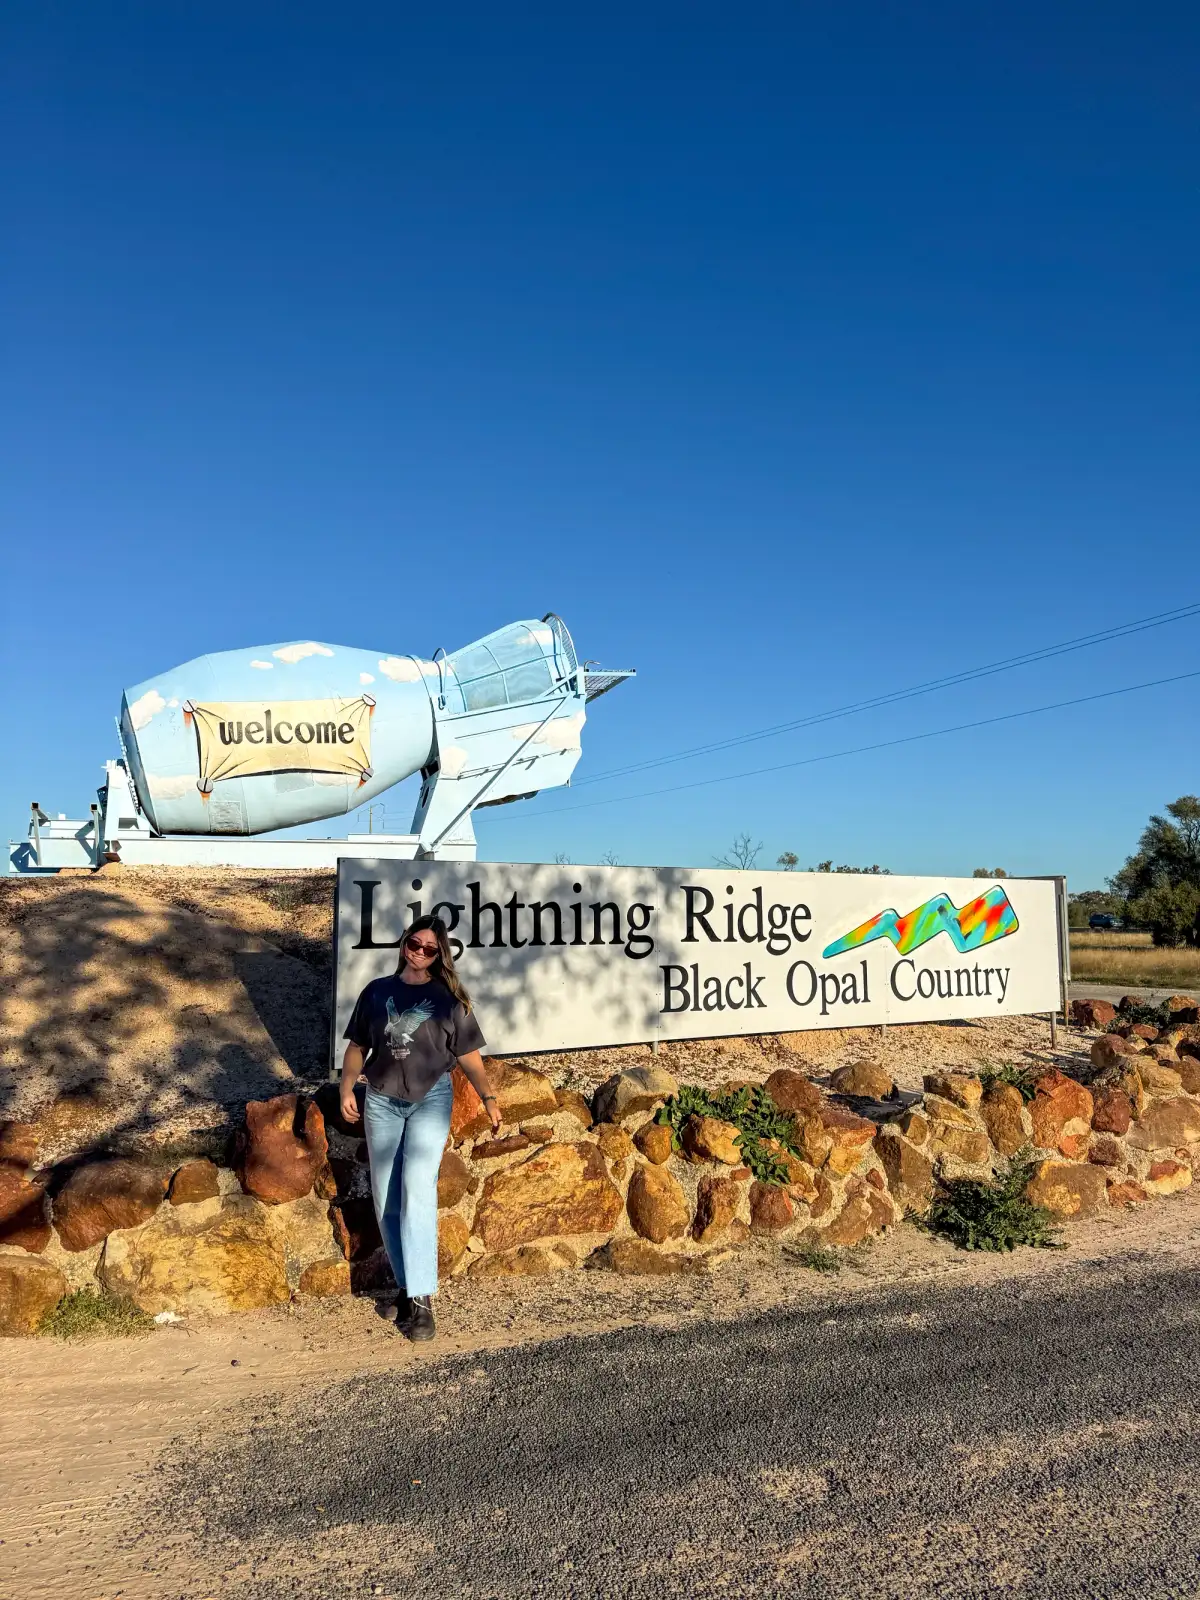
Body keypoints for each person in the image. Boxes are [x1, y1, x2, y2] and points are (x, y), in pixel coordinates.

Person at [339, 915, 499, 1342]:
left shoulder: (447, 999)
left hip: (430, 1101)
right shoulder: (377, 992)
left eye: (430, 949)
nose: (421, 952)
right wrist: (345, 1087)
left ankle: (424, 1302)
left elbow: (469, 1055)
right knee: (387, 1197)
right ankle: (407, 1289)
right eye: (415, 943)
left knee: (417, 1189)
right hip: (381, 1103)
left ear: (439, 955)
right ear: (404, 944)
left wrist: (488, 1098)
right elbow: (357, 1047)